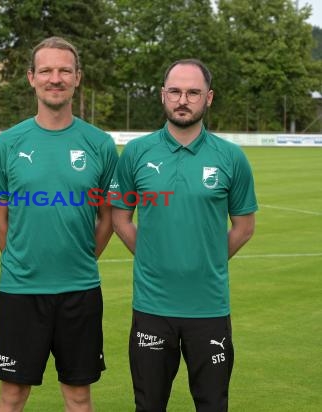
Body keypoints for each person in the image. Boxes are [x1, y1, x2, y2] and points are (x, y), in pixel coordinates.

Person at [111, 58, 258, 411]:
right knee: (148, 405)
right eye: (175, 91)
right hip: (152, 306)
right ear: (163, 95)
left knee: (212, 404)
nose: (183, 99)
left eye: (193, 92)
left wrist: (205, 261)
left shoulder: (231, 158)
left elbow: (244, 227)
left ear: (208, 98)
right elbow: (120, 219)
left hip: (208, 307)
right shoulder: (135, 153)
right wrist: (152, 257)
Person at [0, 36, 119, 412]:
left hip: (80, 290)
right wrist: (18, 259)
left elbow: (107, 214)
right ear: (31, 78)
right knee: (12, 395)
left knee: (78, 396)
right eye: (46, 70)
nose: (54, 78)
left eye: (64, 70)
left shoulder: (100, 144)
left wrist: (85, 257)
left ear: (78, 78)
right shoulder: (9, 143)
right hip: (20, 291)